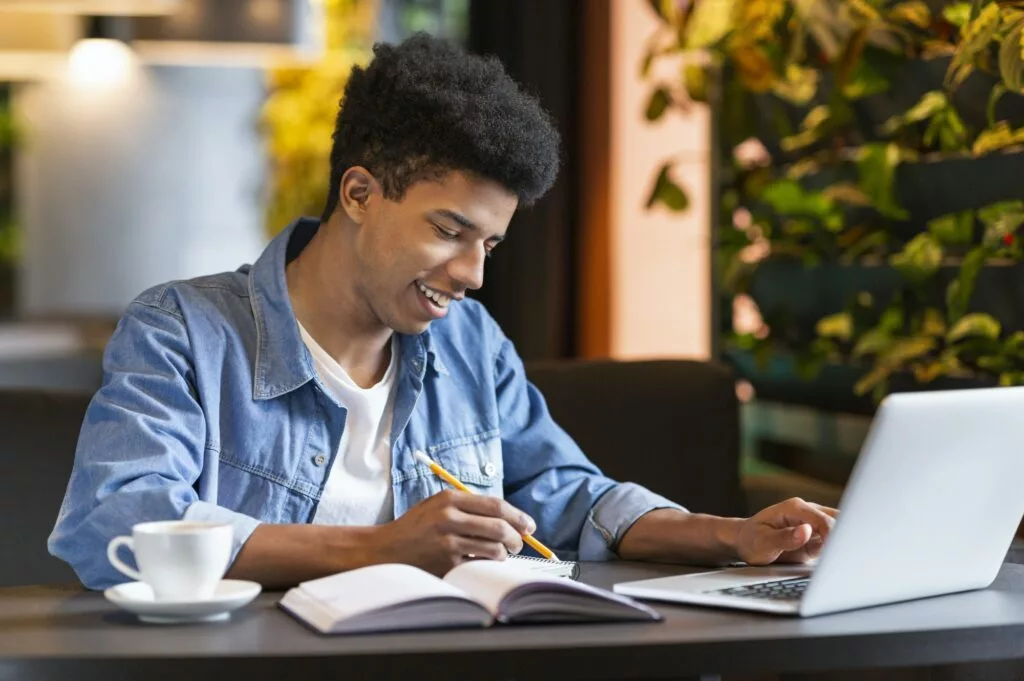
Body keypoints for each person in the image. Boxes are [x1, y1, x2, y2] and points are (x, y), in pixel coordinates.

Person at [49, 33, 836, 590]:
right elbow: (115, 520)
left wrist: (734, 535)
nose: (472, 273)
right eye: (449, 230)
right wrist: (382, 548)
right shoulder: (183, 331)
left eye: (490, 244)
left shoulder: (470, 345)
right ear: (358, 193)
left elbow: (562, 492)